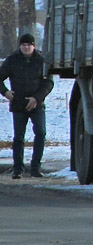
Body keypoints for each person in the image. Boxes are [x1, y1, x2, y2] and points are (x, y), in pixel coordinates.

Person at [0, 33, 53, 179]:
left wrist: (36, 98)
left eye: (29, 45)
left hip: (37, 104)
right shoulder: (12, 60)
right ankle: (18, 169)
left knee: (41, 133)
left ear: (34, 46)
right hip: (18, 104)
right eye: (23, 45)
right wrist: (5, 92)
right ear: (20, 46)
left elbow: (48, 82)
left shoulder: (41, 61)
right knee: (19, 137)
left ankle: (36, 167)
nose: (26, 47)